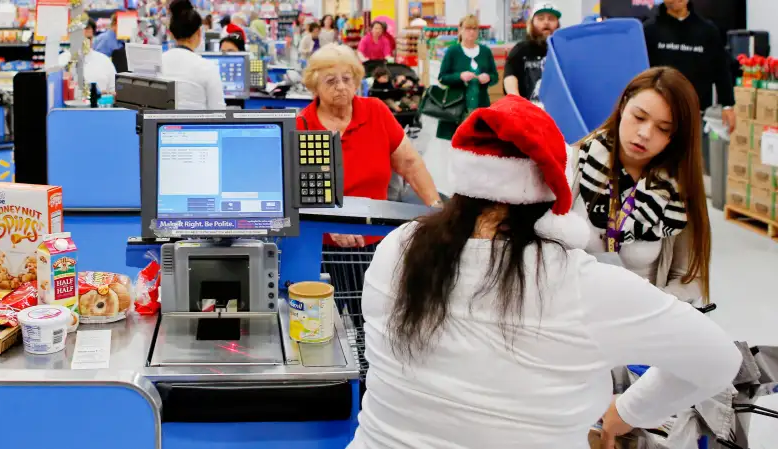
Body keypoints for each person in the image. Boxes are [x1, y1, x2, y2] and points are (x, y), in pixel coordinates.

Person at [348, 94, 742, 449]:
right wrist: (631, 408)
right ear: (552, 199)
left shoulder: (397, 249)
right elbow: (720, 359)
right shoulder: (581, 285)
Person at [573, 67, 711, 303]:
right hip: (573, 313)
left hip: (638, 323)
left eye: (663, 129)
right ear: (624, 104)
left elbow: (689, 277)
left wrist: (654, 304)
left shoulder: (677, 191)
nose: (645, 133)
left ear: (675, 137)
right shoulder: (577, 163)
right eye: (639, 117)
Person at [297, 44, 441, 247]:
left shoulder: (376, 112)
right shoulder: (302, 125)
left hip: (377, 237)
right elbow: (297, 191)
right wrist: (329, 222)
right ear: (314, 87)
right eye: (331, 81)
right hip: (322, 246)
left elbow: (410, 163)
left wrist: (436, 208)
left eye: (347, 79)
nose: (341, 86)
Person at [643, 0, 736, 133]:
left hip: (695, 115)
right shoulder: (648, 30)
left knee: (694, 153)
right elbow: (640, 73)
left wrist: (728, 106)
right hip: (656, 113)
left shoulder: (707, 31)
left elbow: (721, 69)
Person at [436, 14, 498, 141]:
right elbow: (442, 77)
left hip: (480, 104)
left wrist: (488, 78)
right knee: (456, 143)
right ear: (460, 30)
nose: (471, 32)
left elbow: (495, 76)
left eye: (475, 29)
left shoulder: (485, 51)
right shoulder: (453, 51)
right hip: (456, 107)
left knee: (480, 143)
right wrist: (459, 76)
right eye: (468, 28)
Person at [161, 0, 225, 110]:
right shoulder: (208, 68)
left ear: (171, 34)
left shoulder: (158, 62)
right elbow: (219, 113)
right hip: (195, 127)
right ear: (199, 33)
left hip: (161, 126)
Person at [503, 2, 560, 103]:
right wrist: (517, 100)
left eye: (551, 19)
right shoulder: (520, 50)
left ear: (557, 24)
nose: (546, 22)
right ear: (532, 22)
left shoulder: (562, 51)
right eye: (541, 18)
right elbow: (510, 76)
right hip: (528, 111)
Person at [83, 19, 117, 94]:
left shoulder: (104, 61)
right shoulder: (63, 61)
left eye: (88, 38)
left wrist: (110, 95)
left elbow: (115, 90)